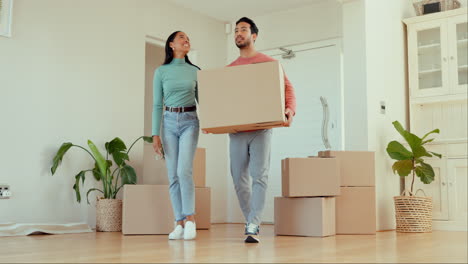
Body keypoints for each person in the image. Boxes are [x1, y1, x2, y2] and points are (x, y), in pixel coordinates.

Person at [227, 17, 296, 243]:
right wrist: (212, 121)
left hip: (261, 129)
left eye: (243, 30)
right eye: (236, 30)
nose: (238, 33)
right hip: (237, 131)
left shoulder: (269, 63)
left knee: (260, 176)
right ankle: (251, 220)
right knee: (238, 178)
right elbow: (221, 99)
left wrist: (289, 109)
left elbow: (288, 88)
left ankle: (254, 223)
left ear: (254, 35)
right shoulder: (229, 70)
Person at [152, 31, 200, 240]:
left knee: (184, 171)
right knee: (172, 175)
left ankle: (190, 220)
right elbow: (156, 104)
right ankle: (178, 223)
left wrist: (213, 123)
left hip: (190, 121)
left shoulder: (196, 71)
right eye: (181, 37)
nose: (186, 39)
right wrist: (155, 134)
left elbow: (207, 102)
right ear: (171, 44)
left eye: (188, 37)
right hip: (169, 122)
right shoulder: (161, 72)